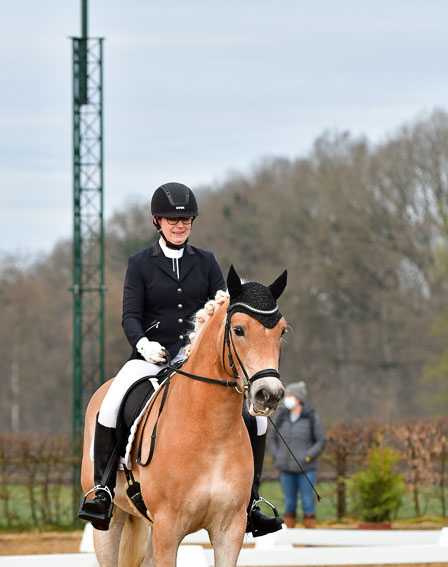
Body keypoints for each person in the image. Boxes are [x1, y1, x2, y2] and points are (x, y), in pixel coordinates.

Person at [79, 181, 282, 537]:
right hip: (150, 357)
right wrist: (143, 345)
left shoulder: (205, 262)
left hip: (198, 362)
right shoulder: (140, 263)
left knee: (259, 420)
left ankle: (251, 501)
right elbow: (130, 315)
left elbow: (222, 309)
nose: (179, 225)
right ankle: (104, 490)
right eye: (173, 219)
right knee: (110, 405)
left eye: (186, 219)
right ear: (157, 221)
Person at [268, 381, 326, 528]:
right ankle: (290, 541)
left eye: (289, 395)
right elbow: (272, 438)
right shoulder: (281, 417)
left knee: (307, 503)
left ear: (298, 398)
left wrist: (308, 456)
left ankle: (309, 541)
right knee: (289, 503)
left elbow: (321, 441)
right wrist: (277, 455)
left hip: (306, 469)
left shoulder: (311, 417)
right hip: (286, 469)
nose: (286, 398)